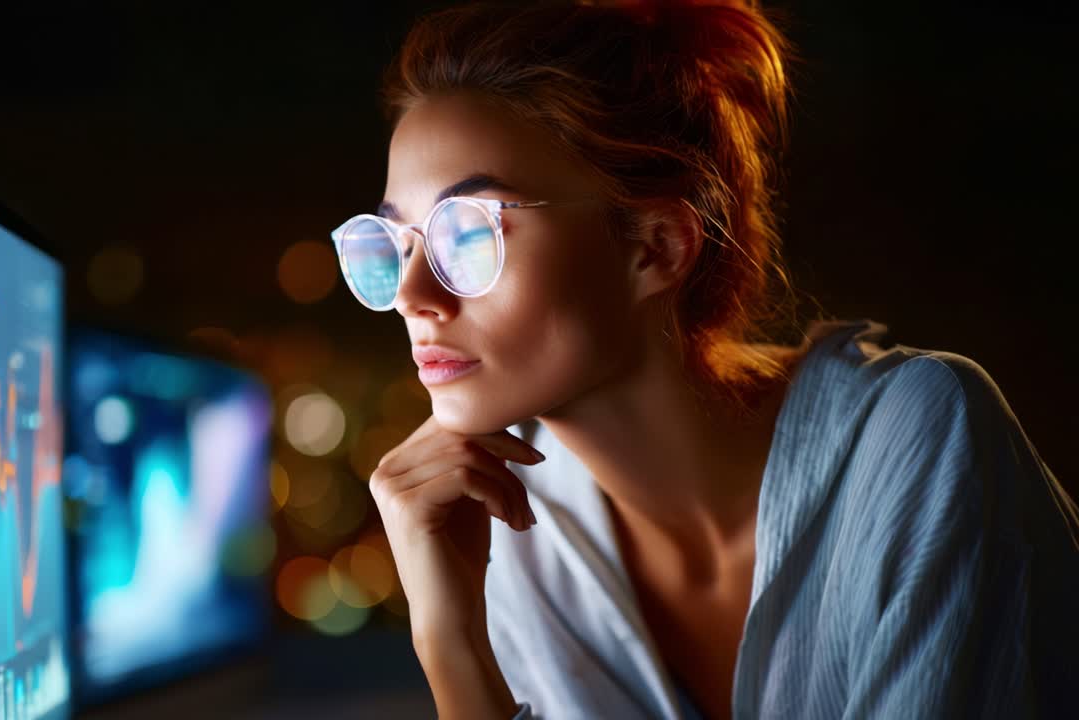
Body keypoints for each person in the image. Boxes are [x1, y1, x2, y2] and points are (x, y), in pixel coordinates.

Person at [328, 1, 1079, 717]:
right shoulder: (511, 525)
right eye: (394, 244)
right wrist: (450, 641)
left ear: (656, 248)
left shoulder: (918, 436)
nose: (411, 296)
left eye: (467, 232)